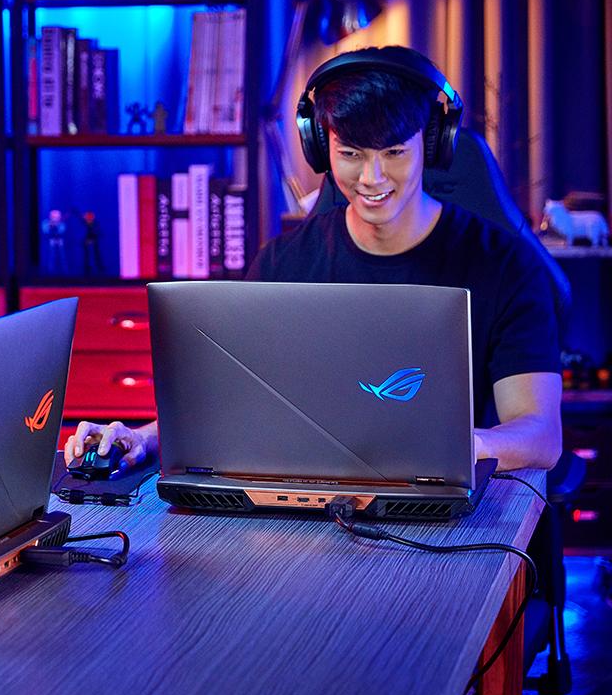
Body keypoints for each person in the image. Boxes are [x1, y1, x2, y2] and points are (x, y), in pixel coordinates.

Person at [64, 46, 562, 477]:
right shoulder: (283, 265)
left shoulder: (505, 265)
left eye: (394, 152)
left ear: (431, 145)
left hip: (442, 501)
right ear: (322, 148)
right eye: (351, 153)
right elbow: (220, 402)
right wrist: (142, 438)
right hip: (306, 507)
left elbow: (541, 434)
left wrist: (467, 447)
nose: (372, 177)